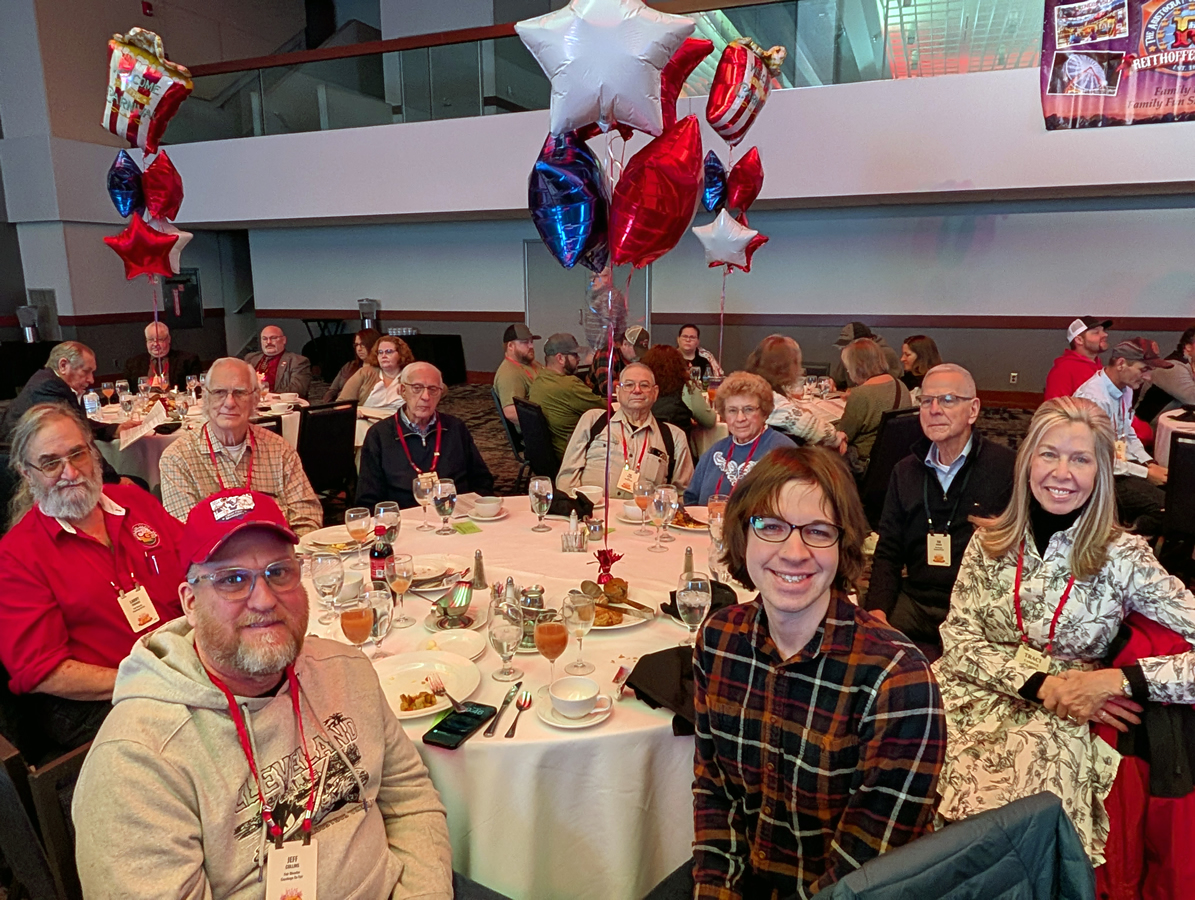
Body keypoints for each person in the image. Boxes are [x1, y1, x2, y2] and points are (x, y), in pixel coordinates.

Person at [71, 490, 507, 900]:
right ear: (190, 602)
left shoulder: (346, 669)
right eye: (232, 580)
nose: (264, 599)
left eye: (278, 573)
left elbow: (410, 801)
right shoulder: (136, 760)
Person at [650, 447, 945, 899]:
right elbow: (715, 790)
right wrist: (718, 891)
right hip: (749, 876)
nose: (793, 552)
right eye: (771, 526)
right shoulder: (718, 639)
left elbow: (866, 870)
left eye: (818, 531)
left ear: (843, 545)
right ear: (742, 536)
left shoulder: (898, 680)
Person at [932, 396, 1195, 866]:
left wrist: (1120, 680)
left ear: (1101, 472)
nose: (1061, 473)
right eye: (1049, 454)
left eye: (1080, 459)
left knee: (1008, 829)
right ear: (1028, 462)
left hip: (1063, 713)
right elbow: (958, 639)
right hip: (970, 689)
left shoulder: (1123, 556)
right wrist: (1041, 683)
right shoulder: (988, 541)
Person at [0, 404, 184, 755]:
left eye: (77, 454)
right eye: (50, 463)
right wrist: (149, 681)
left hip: (182, 662)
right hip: (103, 698)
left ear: (93, 451)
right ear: (27, 473)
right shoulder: (17, 555)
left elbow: (199, 564)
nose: (70, 472)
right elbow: (44, 672)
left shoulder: (134, 501)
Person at [863, 364, 1016, 658]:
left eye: (947, 400)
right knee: (865, 649)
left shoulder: (1006, 468)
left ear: (973, 410)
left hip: (977, 606)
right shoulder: (905, 471)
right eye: (926, 401)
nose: (934, 410)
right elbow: (888, 551)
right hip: (917, 599)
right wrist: (877, 613)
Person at [159, 359, 322, 535]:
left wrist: (294, 548)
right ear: (205, 397)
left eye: (240, 392)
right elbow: (188, 535)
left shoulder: (279, 450)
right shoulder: (178, 458)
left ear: (255, 399)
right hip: (216, 554)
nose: (229, 402)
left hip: (279, 550)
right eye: (219, 392)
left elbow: (307, 517)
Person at [356, 362, 494, 509]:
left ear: (440, 394)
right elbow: (368, 497)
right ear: (402, 391)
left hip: (455, 513)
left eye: (433, 389)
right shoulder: (380, 434)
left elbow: (482, 480)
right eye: (417, 388)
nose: (426, 396)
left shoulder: (455, 427)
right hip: (406, 516)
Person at [1074, 338, 1171, 534]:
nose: (1148, 377)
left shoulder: (1125, 388)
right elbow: (1097, 459)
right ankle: (1123, 535)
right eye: (1144, 369)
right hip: (1097, 477)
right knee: (1169, 511)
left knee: (1179, 495)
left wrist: (1148, 463)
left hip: (1117, 467)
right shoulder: (1093, 399)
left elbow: (1127, 431)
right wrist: (1145, 473)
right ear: (1121, 364)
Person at [0, 341, 133, 484]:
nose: (91, 379)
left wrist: (113, 429)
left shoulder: (47, 380)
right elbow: (81, 437)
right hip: (24, 476)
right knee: (137, 483)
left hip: (32, 465)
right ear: (63, 365)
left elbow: (80, 421)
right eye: (86, 371)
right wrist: (113, 480)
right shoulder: (49, 388)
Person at [556, 363, 693, 500]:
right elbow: (567, 478)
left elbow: (682, 495)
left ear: (655, 392)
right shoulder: (593, 421)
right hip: (593, 511)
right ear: (618, 391)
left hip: (643, 512)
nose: (637, 390)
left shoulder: (674, 437)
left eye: (644, 385)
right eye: (629, 385)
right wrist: (578, 508)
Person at [684, 371, 795, 505]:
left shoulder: (785, 451)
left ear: (764, 412)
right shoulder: (715, 451)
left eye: (748, 409)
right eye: (732, 410)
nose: (740, 418)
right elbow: (691, 500)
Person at [743, 334, 844, 450]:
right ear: (784, 368)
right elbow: (817, 430)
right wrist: (837, 438)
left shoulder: (749, 387)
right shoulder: (771, 399)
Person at [838, 337, 913, 474]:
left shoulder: (861, 394)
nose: (848, 372)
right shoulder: (900, 385)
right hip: (894, 463)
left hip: (862, 465)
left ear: (857, 367)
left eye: (848, 368)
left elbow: (843, 434)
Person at [527, 333, 604, 461]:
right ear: (560, 358)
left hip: (550, 454)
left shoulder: (539, 380)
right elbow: (605, 409)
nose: (578, 359)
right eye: (574, 355)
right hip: (574, 455)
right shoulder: (569, 385)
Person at [640, 344, 715, 438]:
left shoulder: (640, 388)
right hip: (678, 444)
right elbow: (709, 421)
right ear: (679, 365)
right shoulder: (687, 388)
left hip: (644, 443)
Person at [336, 334, 414, 411]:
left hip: (396, 418)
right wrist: (354, 413)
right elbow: (341, 404)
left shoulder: (411, 376)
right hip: (365, 417)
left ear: (401, 354)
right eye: (380, 352)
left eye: (389, 351)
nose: (383, 356)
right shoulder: (365, 373)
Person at [1135, 325, 1195, 425]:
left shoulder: (1190, 365)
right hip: (1149, 428)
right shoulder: (1173, 367)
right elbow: (1192, 399)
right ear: (1188, 346)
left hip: (1178, 424)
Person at [1043, 316, 1112, 400]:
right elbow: (1055, 407)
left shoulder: (1100, 367)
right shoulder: (1063, 370)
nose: (1105, 334)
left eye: (1103, 331)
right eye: (1096, 332)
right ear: (1079, 340)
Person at [123, 321, 201, 392]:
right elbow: (125, 392)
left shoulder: (188, 360)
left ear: (169, 339)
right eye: (150, 340)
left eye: (159, 339)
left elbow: (196, 390)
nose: (155, 344)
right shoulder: (133, 364)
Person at [494, 323, 542, 429]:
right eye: (525, 342)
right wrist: (546, 423)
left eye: (531, 341)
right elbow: (511, 412)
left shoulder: (531, 364)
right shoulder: (509, 374)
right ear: (510, 346)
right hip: (539, 431)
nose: (531, 346)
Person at [244, 325, 312, 399]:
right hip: (252, 402)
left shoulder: (298, 361)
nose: (268, 342)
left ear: (284, 340)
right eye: (264, 339)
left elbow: (297, 390)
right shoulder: (250, 358)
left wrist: (268, 396)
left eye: (273, 338)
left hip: (280, 403)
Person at [830, 321, 902, 389]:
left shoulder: (885, 354)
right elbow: (837, 379)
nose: (846, 349)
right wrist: (831, 382)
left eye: (850, 345)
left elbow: (887, 387)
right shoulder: (850, 353)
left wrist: (856, 393)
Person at [586, 325, 650, 397]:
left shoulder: (639, 359)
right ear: (625, 344)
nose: (639, 355)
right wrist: (632, 385)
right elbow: (605, 386)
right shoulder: (607, 354)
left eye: (642, 351)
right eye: (636, 350)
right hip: (597, 398)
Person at [321, 327, 379, 402]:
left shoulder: (381, 369)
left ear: (373, 345)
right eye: (356, 345)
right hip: (339, 403)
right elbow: (332, 390)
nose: (359, 349)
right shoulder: (349, 366)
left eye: (363, 344)